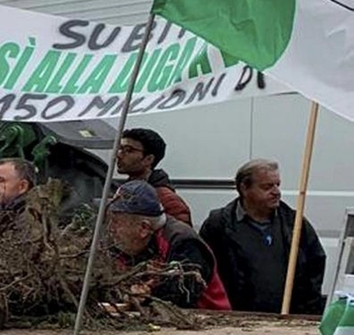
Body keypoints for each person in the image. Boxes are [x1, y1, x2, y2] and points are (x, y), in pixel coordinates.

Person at [201, 159, 327, 314]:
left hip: (287, 319)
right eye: (267, 187)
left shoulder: (294, 223)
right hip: (237, 319)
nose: (276, 192)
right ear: (244, 188)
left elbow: (315, 265)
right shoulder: (218, 225)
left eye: (277, 185)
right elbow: (205, 272)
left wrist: (306, 309)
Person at [107, 180, 230, 310]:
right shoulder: (122, 245)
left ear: (144, 228)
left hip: (209, 321)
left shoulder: (184, 243)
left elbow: (182, 296)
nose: (110, 228)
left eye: (116, 222)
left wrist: (146, 294)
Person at [115, 128, 192, 225]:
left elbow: (180, 235)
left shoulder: (166, 200)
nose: (119, 155)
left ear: (148, 159)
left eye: (128, 150)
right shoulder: (123, 191)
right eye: (119, 148)